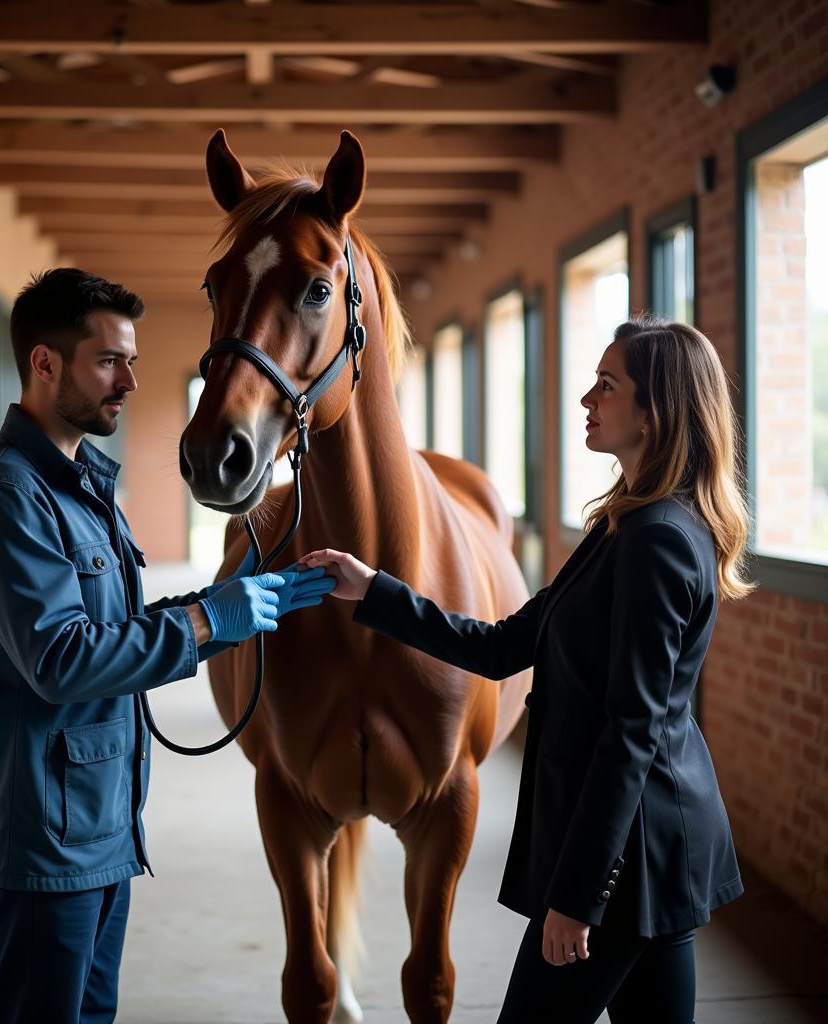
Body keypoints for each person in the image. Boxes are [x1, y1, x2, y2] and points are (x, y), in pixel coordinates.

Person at [301, 315, 752, 1024]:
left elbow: (631, 732)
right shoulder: (626, 527)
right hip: (649, 853)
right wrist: (376, 590)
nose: (586, 399)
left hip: (628, 861)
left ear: (655, 411)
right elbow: (505, 644)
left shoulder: (656, 541)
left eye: (608, 385)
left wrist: (577, 900)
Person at [0, 268, 335, 1024]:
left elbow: (109, 625)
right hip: (45, 831)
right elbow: (63, 659)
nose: (129, 380)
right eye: (108, 361)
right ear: (44, 364)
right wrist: (208, 622)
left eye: (132, 360)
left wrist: (222, 604)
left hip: (99, 822)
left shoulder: (79, 483)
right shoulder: (8, 492)